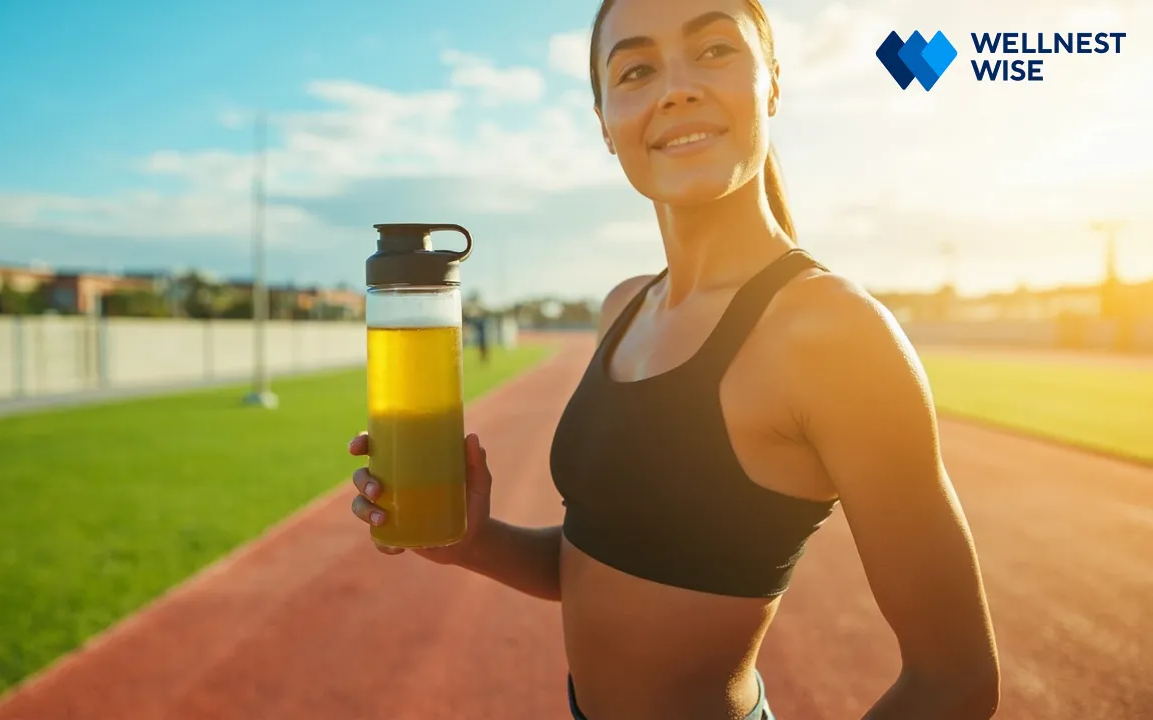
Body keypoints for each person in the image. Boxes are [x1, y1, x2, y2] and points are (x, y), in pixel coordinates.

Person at [347, 0, 1001, 717]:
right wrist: (471, 543)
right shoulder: (623, 307)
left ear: (772, 81)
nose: (676, 88)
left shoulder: (833, 332)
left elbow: (956, 680)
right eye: (636, 68)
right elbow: (615, 560)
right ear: (605, 122)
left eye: (715, 50)